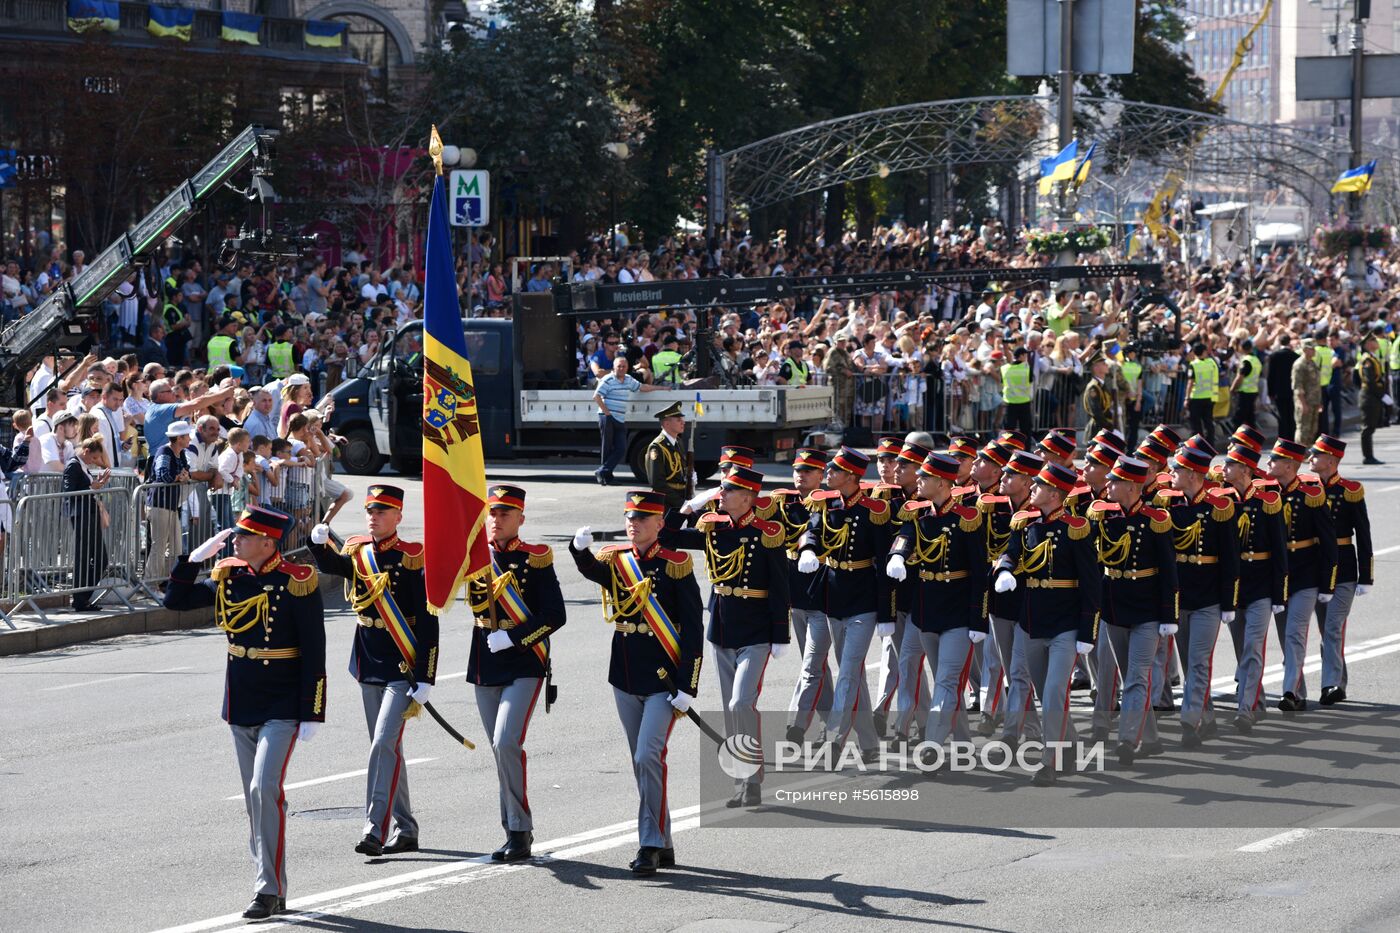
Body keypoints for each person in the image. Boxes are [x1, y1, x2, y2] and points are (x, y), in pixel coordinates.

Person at [163, 506, 325, 921]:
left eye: (244, 536)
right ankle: (275, 883)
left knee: (262, 788)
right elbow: (175, 602)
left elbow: (314, 649)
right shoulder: (230, 576)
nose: (236, 541)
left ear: (268, 542)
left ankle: (266, 889)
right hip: (243, 698)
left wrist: (313, 710)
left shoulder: (297, 581)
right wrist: (191, 562)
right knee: (257, 802)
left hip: (283, 700)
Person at [570, 491, 703, 876]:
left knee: (648, 756)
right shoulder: (618, 561)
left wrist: (687, 684)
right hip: (626, 674)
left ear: (660, 523)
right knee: (642, 761)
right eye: (630, 517)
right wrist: (580, 552)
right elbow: (594, 572)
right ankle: (665, 841)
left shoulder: (676, 564)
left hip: (665, 678)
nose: (634, 523)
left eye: (643, 518)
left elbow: (693, 628)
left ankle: (649, 844)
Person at [307, 485, 437, 857]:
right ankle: (406, 828)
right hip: (368, 658)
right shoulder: (358, 551)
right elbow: (334, 565)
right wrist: (318, 545)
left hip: (403, 662)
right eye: (370, 510)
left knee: (383, 743)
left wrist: (426, 673)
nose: (374, 516)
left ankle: (374, 829)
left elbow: (427, 621)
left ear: (398, 516)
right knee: (386, 747)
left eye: (382, 511)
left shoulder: (412, 557)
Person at [663, 466, 788, 807]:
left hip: (757, 629)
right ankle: (742, 780)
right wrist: (687, 509)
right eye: (722, 490)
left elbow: (780, 586)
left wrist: (781, 634)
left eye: (729, 491)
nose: (722, 495)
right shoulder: (714, 531)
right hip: (723, 626)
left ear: (748, 497)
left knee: (741, 702)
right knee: (729, 709)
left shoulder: (768, 533)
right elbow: (667, 537)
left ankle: (753, 776)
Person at [464, 484, 565, 861]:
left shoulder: (535, 558)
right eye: (492, 512)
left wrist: (515, 638)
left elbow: (556, 615)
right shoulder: (475, 557)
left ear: (520, 518)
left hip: (524, 662)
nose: (497, 519)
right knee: (498, 750)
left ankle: (521, 831)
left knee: (507, 741)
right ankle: (511, 829)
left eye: (505, 513)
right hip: (484, 662)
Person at [993, 462, 1100, 785]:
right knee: (1045, 693)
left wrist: (1087, 631)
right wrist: (1005, 571)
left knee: (1054, 692)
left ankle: (1048, 762)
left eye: (1038, 485)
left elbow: (1091, 584)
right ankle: (1070, 747)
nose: (1033, 490)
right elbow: (1010, 553)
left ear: (1054, 493)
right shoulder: (1024, 524)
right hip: (1031, 621)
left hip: (1065, 623)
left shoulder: (1075, 528)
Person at [794, 447, 894, 764]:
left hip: (863, 600)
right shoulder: (827, 505)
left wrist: (887, 613)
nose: (827, 475)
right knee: (854, 677)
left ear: (851, 476)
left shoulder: (874, 510)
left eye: (834, 471)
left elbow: (882, 563)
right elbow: (812, 531)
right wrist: (809, 549)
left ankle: (835, 739)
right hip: (834, 599)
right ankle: (868, 742)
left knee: (849, 671)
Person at [885, 453, 989, 753]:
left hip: (957, 613)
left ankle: (931, 743)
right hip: (926, 612)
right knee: (941, 680)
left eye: (924, 477)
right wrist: (897, 556)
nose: (918, 480)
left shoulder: (967, 520)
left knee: (946, 680)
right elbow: (905, 537)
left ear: (942, 482)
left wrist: (979, 620)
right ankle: (962, 743)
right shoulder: (919, 516)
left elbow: (979, 574)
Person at [1158, 442, 1239, 747]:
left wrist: (1229, 602)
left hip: (1208, 598)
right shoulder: (1170, 507)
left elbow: (1230, 559)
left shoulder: (1219, 509)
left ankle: (1189, 721)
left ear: (1193, 474)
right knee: (1190, 663)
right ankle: (1208, 717)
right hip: (1180, 597)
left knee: (1199, 661)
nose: (1172, 473)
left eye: (1177, 469)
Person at [1266, 438, 1337, 712]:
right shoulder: (1269, 496)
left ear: (1290, 465)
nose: (1269, 463)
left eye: (1275, 460)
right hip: (1278, 577)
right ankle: (1300, 690)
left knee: (1295, 632)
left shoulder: (1310, 496)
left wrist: (1327, 582)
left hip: (1305, 574)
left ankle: (1290, 692)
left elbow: (1328, 542)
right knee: (1286, 637)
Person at [1307, 435, 1373, 706]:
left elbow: (1364, 534)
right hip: (1315, 568)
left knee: (1333, 627)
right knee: (1326, 630)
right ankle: (1338, 679)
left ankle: (1330, 684)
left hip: (1344, 568)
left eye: (1316, 455)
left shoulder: (1349, 491)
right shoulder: (1307, 489)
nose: (1311, 459)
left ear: (1331, 460)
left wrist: (1366, 576)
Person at [776, 448, 835, 743]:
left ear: (821, 476)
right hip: (796, 595)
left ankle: (795, 725)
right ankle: (831, 724)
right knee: (814, 664)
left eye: (808, 471)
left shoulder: (831, 505)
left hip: (824, 593)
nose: (801, 476)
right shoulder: (783, 504)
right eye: (798, 470)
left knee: (812, 664)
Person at [591, 355, 663, 486]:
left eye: (624, 366)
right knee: (607, 447)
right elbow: (596, 396)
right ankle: (606, 476)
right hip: (607, 417)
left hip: (620, 418)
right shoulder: (608, 379)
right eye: (619, 366)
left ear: (628, 368)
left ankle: (602, 471)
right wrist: (607, 413)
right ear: (614, 367)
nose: (621, 368)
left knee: (621, 448)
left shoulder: (629, 380)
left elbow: (643, 387)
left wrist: (661, 388)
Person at [63, 437, 111, 611]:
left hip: (89, 515)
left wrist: (95, 484)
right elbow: (69, 492)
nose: (94, 461)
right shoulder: (73, 465)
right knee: (84, 558)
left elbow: (87, 487)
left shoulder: (81, 466)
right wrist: (93, 487)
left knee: (100, 559)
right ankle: (80, 598)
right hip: (81, 515)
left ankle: (83, 596)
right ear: (86, 452)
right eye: (93, 457)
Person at [146, 421, 195, 582]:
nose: (189, 439)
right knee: (158, 547)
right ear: (179, 438)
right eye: (187, 436)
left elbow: (186, 471)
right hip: (159, 505)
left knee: (176, 548)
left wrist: (183, 476)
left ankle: (165, 581)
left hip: (171, 506)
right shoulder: (164, 452)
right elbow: (163, 476)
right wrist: (179, 477)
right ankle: (151, 584)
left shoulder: (180, 453)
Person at [645, 401, 688, 510]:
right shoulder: (657, 447)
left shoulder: (678, 441)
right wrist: (681, 503)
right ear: (666, 424)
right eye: (678, 420)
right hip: (667, 503)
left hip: (679, 498)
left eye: (682, 419)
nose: (683, 422)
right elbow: (658, 484)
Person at [1356, 331, 1388, 464]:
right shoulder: (1367, 360)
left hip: (1372, 396)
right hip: (1369, 396)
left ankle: (1369, 455)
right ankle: (1368, 457)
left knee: (1371, 427)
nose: (1377, 342)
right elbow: (1370, 381)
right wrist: (1382, 395)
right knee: (1367, 428)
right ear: (1368, 344)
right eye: (1374, 340)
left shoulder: (1372, 358)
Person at [1184, 342, 1217, 449]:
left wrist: (1186, 397)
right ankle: (1210, 445)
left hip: (1196, 398)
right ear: (1203, 352)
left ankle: (1197, 446)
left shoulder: (1194, 365)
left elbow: (1190, 382)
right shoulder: (1211, 363)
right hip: (1209, 397)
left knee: (1196, 424)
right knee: (1208, 423)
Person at [1267, 334, 1299, 441]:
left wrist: (1270, 392)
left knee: (1282, 416)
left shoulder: (1274, 356)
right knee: (1291, 415)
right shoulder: (1295, 356)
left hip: (1279, 391)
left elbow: (1271, 376)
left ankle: (1282, 439)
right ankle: (1291, 438)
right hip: (1292, 390)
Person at [1291, 340, 1322, 448]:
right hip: (1305, 401)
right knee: (1303, 428)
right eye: (1311, 348)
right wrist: (1303, 404)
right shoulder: (1299, 365)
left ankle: (1307, 450)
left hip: (1313, 401)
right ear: (1305, 350)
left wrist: (1319, 401)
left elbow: (1316, 384)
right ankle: (1299, 452)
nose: (1314, 351)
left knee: (1313, 428)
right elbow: (1297, 386)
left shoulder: (1312, 363)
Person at [1229, 339, 1261, 429]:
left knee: (1238, 418)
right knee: (1250, 418)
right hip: (1253, 391)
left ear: (1242, 348)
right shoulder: (1256, 360)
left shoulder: (1246, 361)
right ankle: (1252, 440)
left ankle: (1236, 440)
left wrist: (1232, 389)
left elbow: (1239, 377)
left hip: (1244, 393)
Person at [1001, 347, 1034, 436]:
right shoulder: (1027, 369)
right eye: (1025, 355)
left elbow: (1002, 382)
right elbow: (1031, 382)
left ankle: (1008, 449)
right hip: (1024, 402)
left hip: (1009, 403)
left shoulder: (1004, 368)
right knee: (1026, 429)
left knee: (1009, 431)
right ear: (1021, 356)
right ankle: (1026, 449)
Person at [1081, 352, 1115, 434]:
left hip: (1104, 428)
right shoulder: (1093, 387)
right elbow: (1096, 412)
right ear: (1096, 368)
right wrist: (1108, 426)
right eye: (1103, 364)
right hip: (1097, 429)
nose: (1107, 365)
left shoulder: (1102, 385)